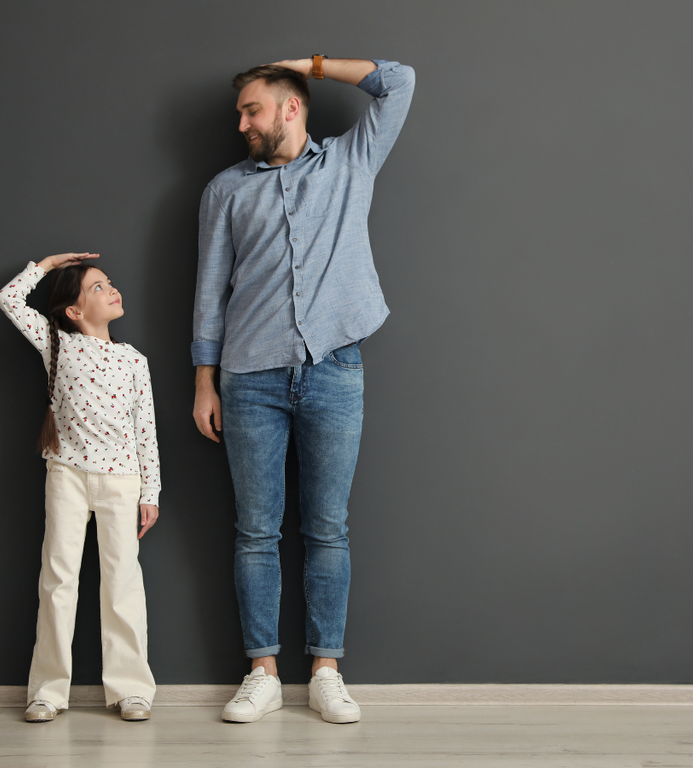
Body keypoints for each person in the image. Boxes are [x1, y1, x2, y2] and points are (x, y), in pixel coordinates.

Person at [192, 55, 415, 724]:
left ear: (290, 107)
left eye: (251, 109)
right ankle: (261, 669)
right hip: (248, 378)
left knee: (327, 527)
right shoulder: (225, 190)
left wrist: (309, 64)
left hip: (335, 371)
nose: (241, 124)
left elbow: (399, 80)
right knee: (255, 530)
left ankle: (325, 670)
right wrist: (204, 382)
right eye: (239, 113)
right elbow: (209, 292)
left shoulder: (350, 162)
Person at [0, 252, 161, 723]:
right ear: (73, 311)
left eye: (110, 282)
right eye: (97, 287)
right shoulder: (57, 344)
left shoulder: (133, 360)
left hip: (122, 480)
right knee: (58, 580)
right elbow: (9, 299)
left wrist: (151, 492)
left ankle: (131, 689)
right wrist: (46, 265)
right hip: (66, 474)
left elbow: (145, 428)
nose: (112, 289)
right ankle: (47, 691)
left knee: (123, 583)